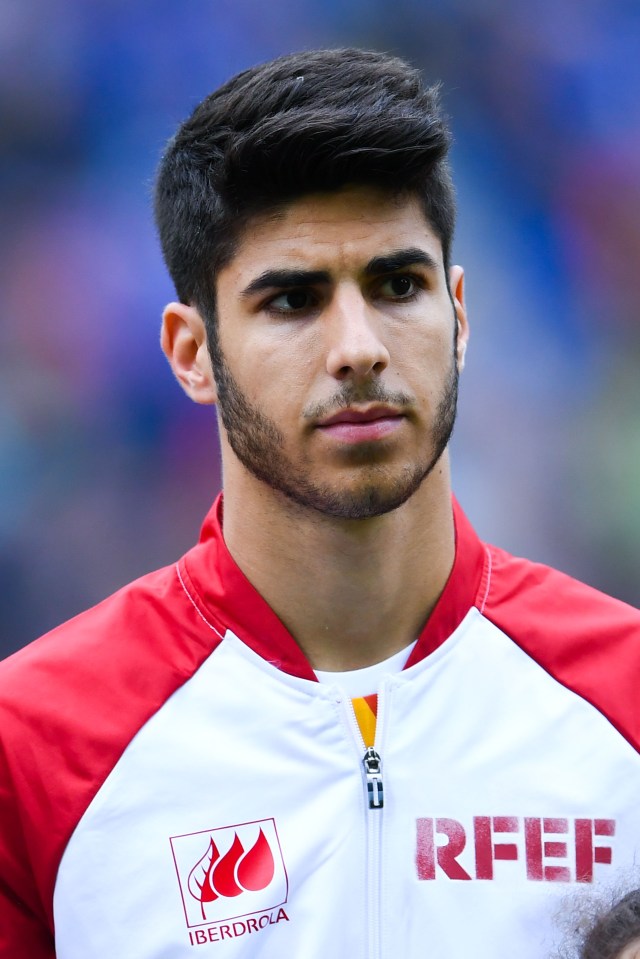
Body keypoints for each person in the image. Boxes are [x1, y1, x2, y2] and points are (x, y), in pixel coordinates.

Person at [0, 47, 638, 959]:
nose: (359, 346)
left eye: (397, 285)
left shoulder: (626, 699)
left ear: (459, 318)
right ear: (191, 353)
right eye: (294, 299)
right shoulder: (32, 749)